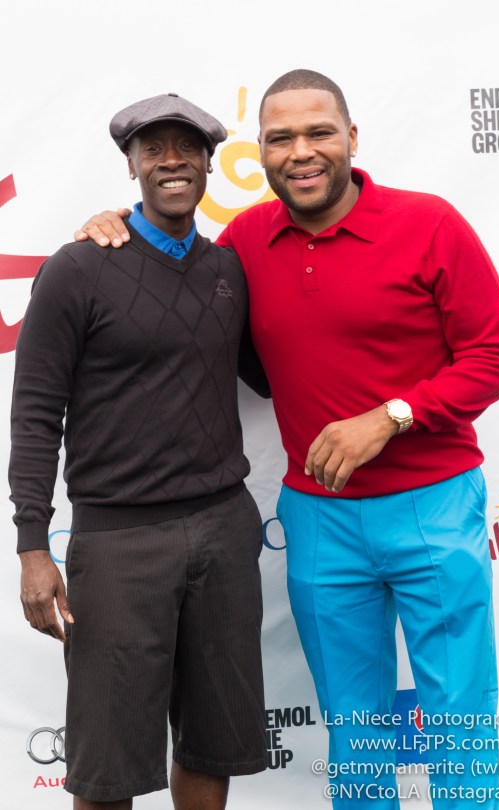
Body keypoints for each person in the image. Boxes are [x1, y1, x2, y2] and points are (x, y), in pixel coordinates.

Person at [74, 70, 499, 809]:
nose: (301, 151)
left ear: (351, 138)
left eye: (318, 132)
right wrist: (110, 231)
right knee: (354, 727)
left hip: (434, 505)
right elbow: (173, 271)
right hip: (318, 518)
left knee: (459, 719)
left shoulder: (430, 223)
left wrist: (392, 416)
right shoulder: (247, 240)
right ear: (262, 153)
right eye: (280, 138)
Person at [9, 93, 270, 810]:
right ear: (130, 165)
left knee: (211, 744)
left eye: (187, 147)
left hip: (223, 529)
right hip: (118, 545)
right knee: (107, 768)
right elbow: (34, 414)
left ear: (212, 162)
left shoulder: (229, 270)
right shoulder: (77, 269)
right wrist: (34, 547)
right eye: (153, 148)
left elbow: (273, 375)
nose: (172, 160)